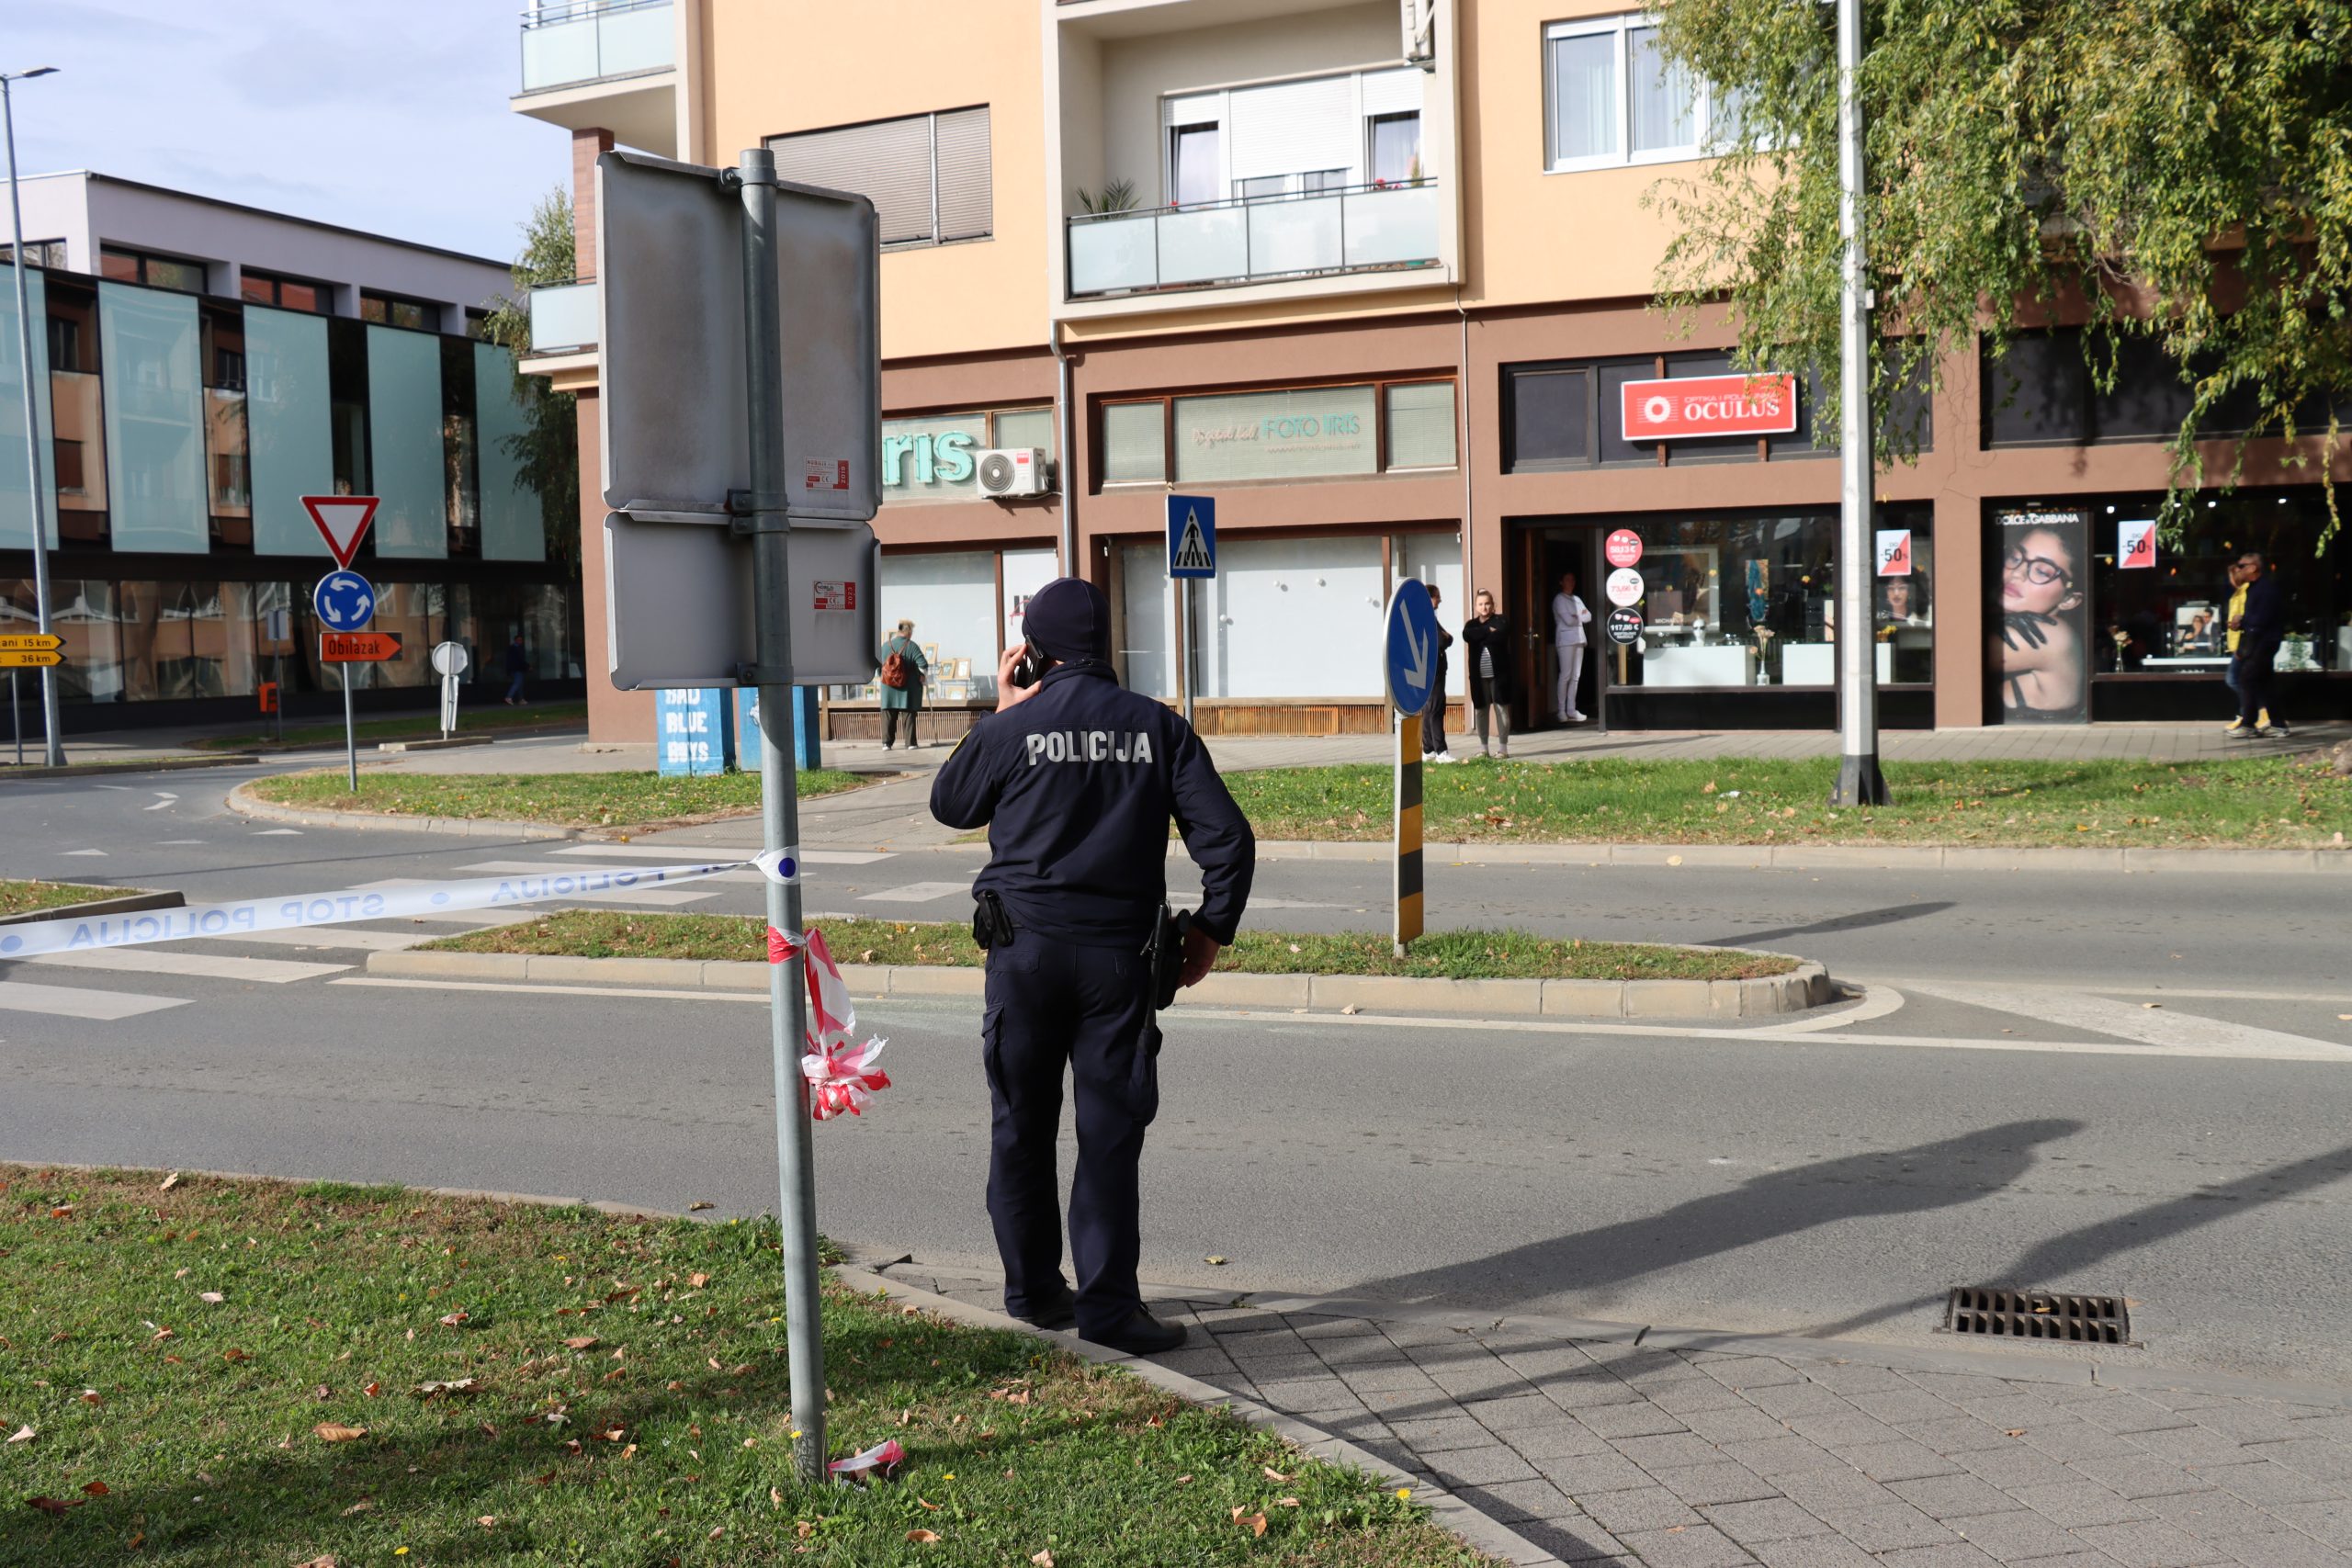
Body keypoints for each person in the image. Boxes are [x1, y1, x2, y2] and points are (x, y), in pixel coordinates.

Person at [930, 577, 1255, 1356]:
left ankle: (1035, 1292)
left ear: (1033, 651)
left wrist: (1003, 709)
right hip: (1120, 963)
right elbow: (1229, 841)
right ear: (1104, 644)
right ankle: (1110, 1309)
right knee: (1108, 1135)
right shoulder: (1158, 728)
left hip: (1023, 958)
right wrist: (1210, 931)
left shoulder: (1014, 727)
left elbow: (951, 803)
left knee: (1021, 1125)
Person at [1994, 525, 2085, 718]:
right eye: (2015, 558)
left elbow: (1956, 658)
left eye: (2042, 571)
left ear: (2069, 599)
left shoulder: (2054, 636)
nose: (2018, 573)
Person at [2224, 549, 2289, 738]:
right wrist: (2242, 622)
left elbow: (2260, 622)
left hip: (2264, 642)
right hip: (2261, 641)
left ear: (2253, 568)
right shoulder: (2254, 589)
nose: (2238, 569)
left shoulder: (2265, 590)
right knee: (2265, 683)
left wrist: (2242, 624)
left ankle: (2248, 724)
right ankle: (2278, 724)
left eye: (2241, 566)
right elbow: (2255, 620)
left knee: (2247, 679)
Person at [1460, 589, 1514, 759]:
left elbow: (1500, 635)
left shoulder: (1501, 620)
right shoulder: (1471, 624)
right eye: (1481, 604)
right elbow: (1467, 635)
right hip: (1479, 676)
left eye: (1487, 604)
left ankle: (1503, 749)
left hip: (1499, 675)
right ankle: (1484, 748)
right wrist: (1487, 631)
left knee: (1501, 709)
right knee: (1481, 710)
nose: (1484, 607)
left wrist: (1482, 635)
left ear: (1493, 605)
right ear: (1476, 606)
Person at [877, 619, 928, 750]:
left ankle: (886, 743)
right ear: (908, 631)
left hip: (888, 688)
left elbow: (878, 667)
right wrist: (920, 675)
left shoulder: (885, 646)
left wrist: (885, 677)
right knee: (908, 714)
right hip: (907, 689)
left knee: (888, 715)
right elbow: (923, 664)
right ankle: (910, 743)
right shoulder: (911, 646)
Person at [1420, 582, 1457, 763]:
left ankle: (1428, 749)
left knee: (1430, 709)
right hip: (1433, 669)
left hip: (1431, 668)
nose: (1440, 600)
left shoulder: (1427, 617)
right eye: (1437, 597)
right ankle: (1441, 751)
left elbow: (1449, 638)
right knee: (1435, 708)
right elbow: (1442, 641)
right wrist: (1446, 638)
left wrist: (1446, 637)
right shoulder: (1426, 617)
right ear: (1429, 598)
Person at [1552, 570, 1591, 723]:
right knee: (1566, 675)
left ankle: (1571, 709)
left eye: (1573, 580)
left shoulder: (1577, 599)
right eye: (1567, 579)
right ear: (1561, 582)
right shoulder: (1559, 599)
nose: (1571, 582)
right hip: (1566, 640)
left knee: (1576, 676)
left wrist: (1577, 616)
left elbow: (1589, 616)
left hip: (1579, 638)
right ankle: (1561, 710)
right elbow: (1568, 620)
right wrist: (1580, 615)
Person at [503, 632, 528, 705]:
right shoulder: (514, 649)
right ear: (515, 640)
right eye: (519, 640)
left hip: (517, 669)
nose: (520, 641)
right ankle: (509, 697)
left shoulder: (517, 648)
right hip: (516, 669)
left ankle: (521, 699)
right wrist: (527, 666)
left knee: (520, 684)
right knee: (517, 683)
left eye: (521, 640)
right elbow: (519, 660)